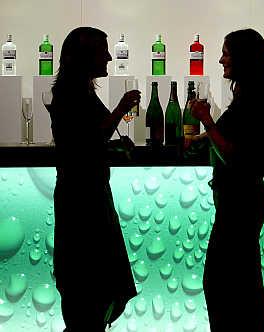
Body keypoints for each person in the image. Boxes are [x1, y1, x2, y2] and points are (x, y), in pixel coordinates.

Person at [49, 27, 139, 331]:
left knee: (88, 287)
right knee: (89, 286)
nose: (110, 57)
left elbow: (83, 143)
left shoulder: (76, 90)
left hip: (87, 196)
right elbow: (88, 138)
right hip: (83, 202)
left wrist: (114, 144)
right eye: (103, 50)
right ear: (86, 55)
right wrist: (121, 109)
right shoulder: (72, 94)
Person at [190, 29, 264, 332]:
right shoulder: (254, 94)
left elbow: (234, 155)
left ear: (242, 58)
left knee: (224, 285)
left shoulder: (251, 99)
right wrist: (203, 136)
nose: (220, 59)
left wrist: (206, 119)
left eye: (226, 53)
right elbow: (228, 137)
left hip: (239, 203)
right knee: (242, 283)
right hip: (244, 201)